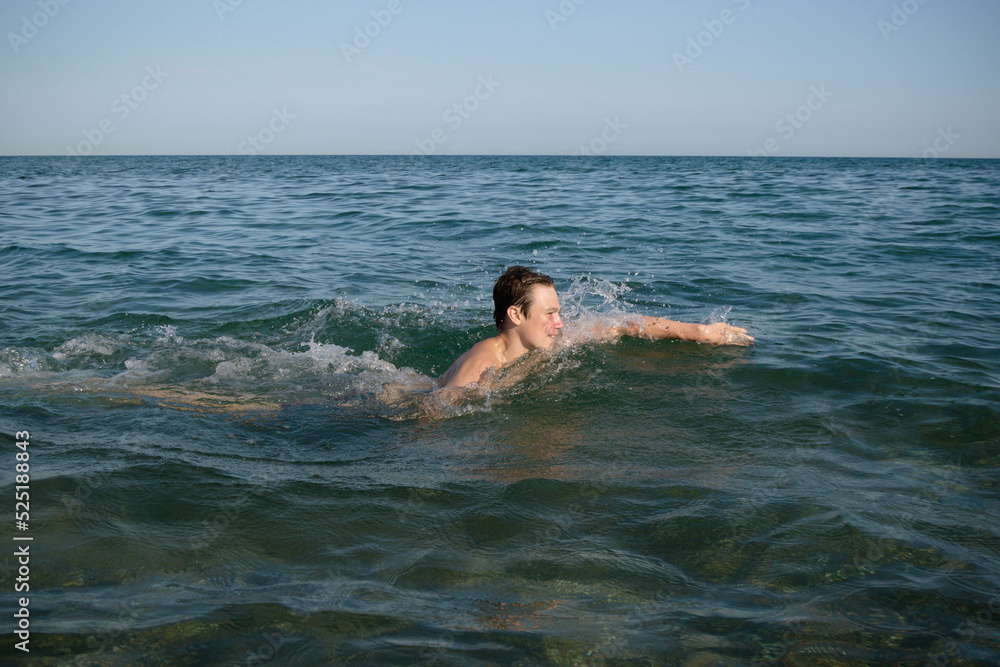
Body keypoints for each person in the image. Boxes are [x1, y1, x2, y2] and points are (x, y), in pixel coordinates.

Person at [436, 266, 754, 388]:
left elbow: (623, 325)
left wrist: (698, 332)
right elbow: (432, 413)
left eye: (558, 312)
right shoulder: (484, 362)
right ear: (516, 316)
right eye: (549, 314)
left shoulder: (553, 340)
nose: (559, 322)